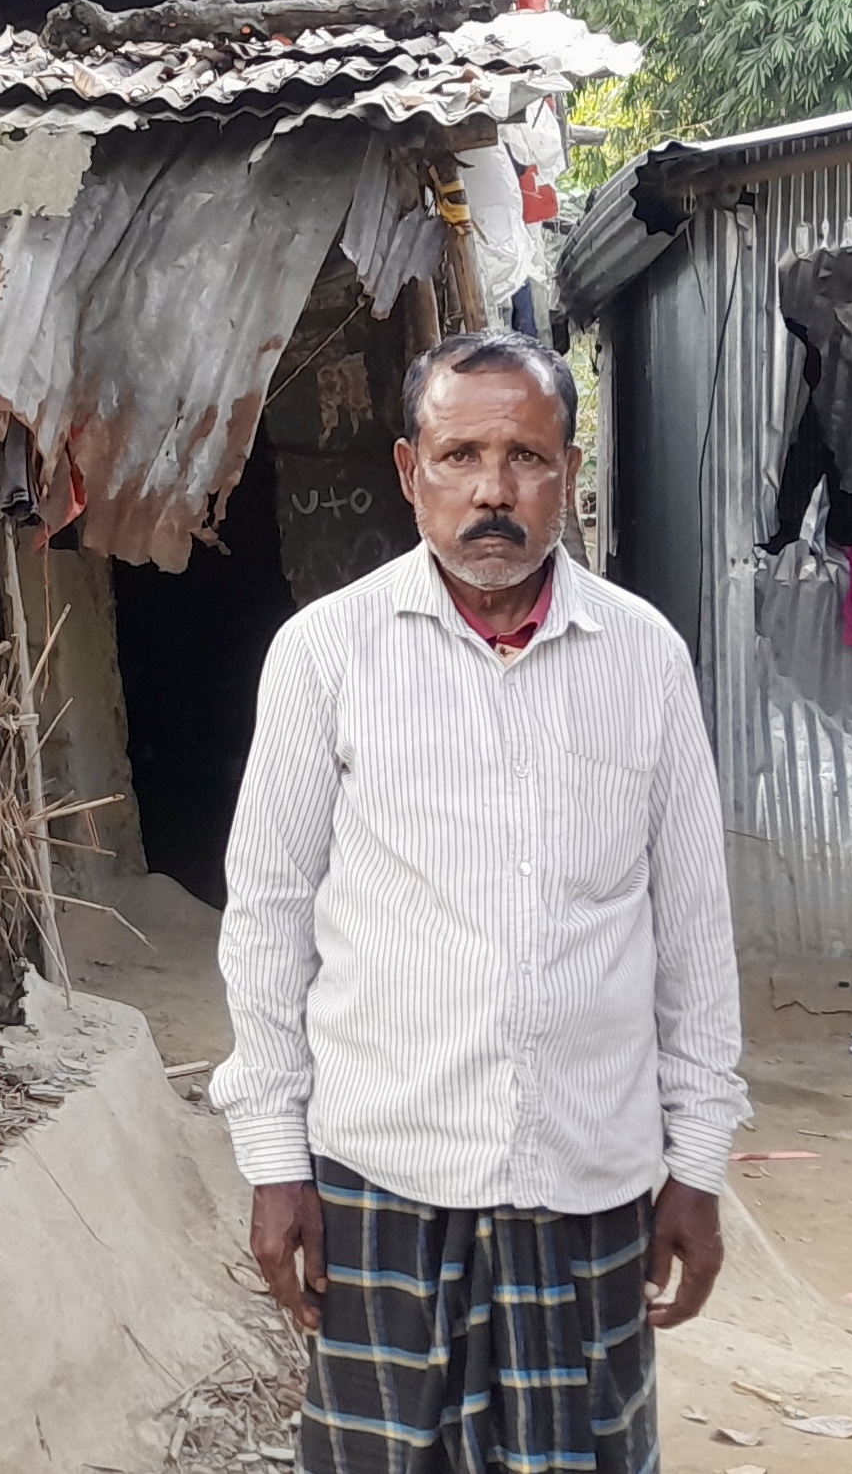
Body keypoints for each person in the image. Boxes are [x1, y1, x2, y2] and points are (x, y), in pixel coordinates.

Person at [210, 330, 748, 1474]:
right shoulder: (327, 655)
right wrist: (273, 1158)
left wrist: (697, 1164)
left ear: (569, 468)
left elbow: (693, 929)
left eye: (527, 457)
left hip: (587, 1174)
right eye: (460, 456)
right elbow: (266, 913)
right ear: (409, 471)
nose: (493, 491)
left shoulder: (643, 658)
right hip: (384, 1172)